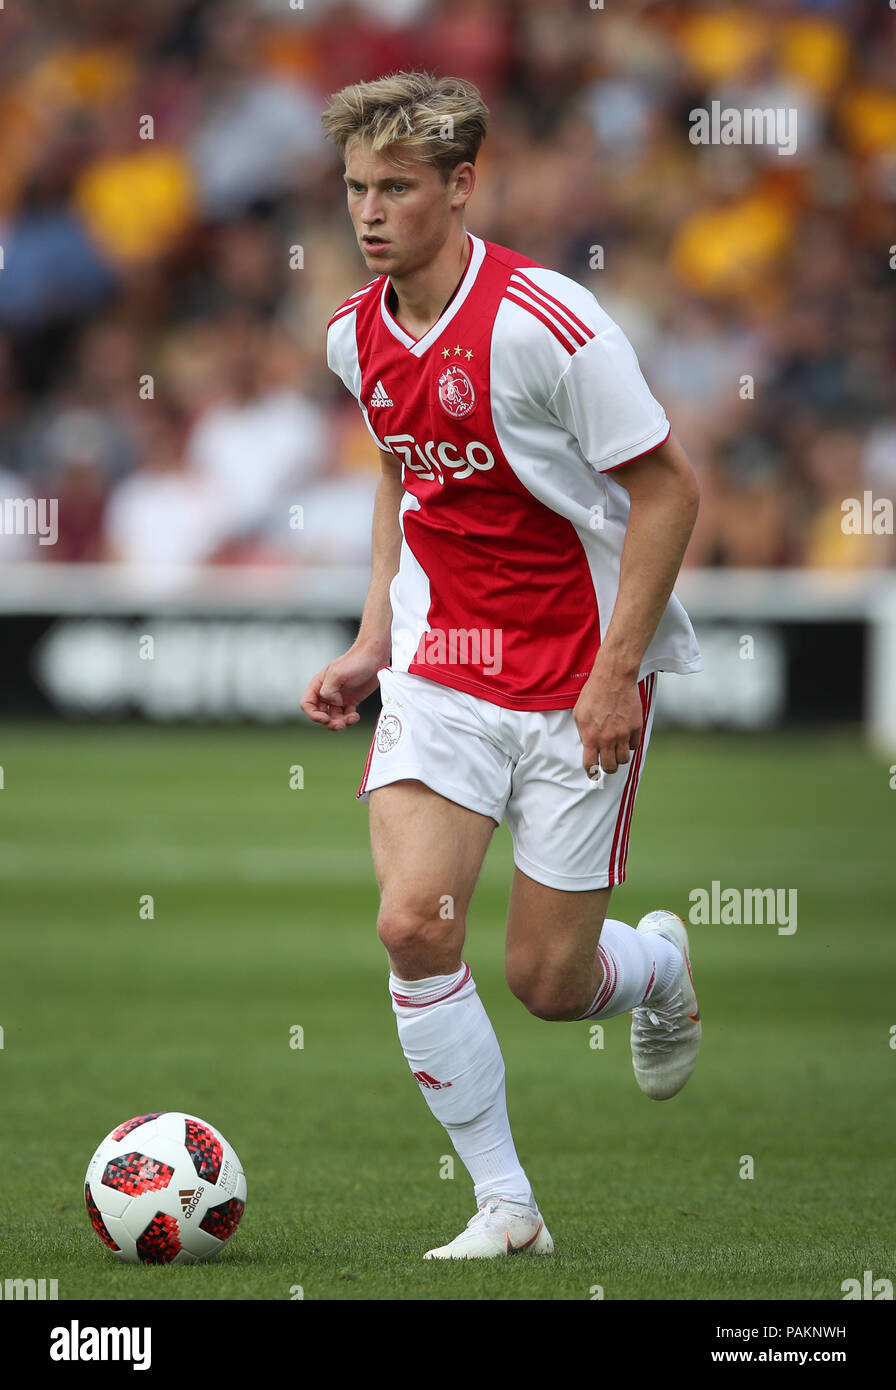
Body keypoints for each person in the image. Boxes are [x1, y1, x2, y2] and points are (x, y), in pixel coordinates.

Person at [302, 71, 703, 1260]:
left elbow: (668, 489)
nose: (369, 214)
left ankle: (661, 968)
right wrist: (377, 635)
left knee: (544, 979)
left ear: (461, 185)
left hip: (574, 680)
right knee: (413, 925)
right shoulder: (348, 335)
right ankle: (504, 1206)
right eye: (354, 190)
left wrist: (614, 671)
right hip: (440, 672)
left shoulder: (548, 324)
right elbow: (398, 467)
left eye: (396, 188)